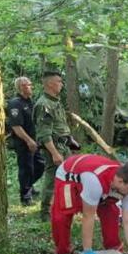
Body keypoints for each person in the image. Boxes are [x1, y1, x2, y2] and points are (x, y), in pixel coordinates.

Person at [51, 154, 128, 254]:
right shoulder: (94, 182)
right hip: (69, 175)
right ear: (120, 181)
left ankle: (113, 250)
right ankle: (63, 253)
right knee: (61, 217)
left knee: (111, 212)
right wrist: (88, 251)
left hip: (101, 181)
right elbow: (88, 216)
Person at [34, 71, 78, 221]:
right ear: (50, 84)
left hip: (64, 146)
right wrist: (54, 153)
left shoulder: (55, 102)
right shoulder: (44, 105)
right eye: (59, 81)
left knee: (67, 178)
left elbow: (60, 126)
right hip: (54, 148)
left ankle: (66, 207)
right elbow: (44, 133)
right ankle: (46, 214)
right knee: (52, 179)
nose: (62, 84)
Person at [7, 76, 45, 206]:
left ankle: (28, 186)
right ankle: (25, 197)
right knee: (26, 168)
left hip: (35, 141)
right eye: (28, 84)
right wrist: (29, 141)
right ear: (22, 86)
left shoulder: (30, 102)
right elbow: (16, 126)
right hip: (23, 142)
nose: (31, 86)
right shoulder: (15, 103)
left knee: (40, 166)